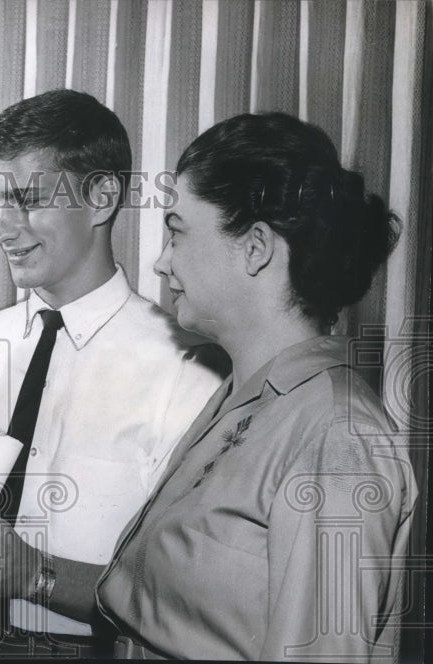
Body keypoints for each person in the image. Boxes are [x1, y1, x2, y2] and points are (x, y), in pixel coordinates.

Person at [94, 112, 417, 661]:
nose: (161, 261)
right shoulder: (248, 398)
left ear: (255, 247)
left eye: (177, 233)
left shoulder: (338, 439)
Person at [0, 89, 227, 656]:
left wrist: (34, 573)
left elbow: (188, 590)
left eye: (28, 200)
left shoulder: (189, 371)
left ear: (103, 197)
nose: (2, 230)